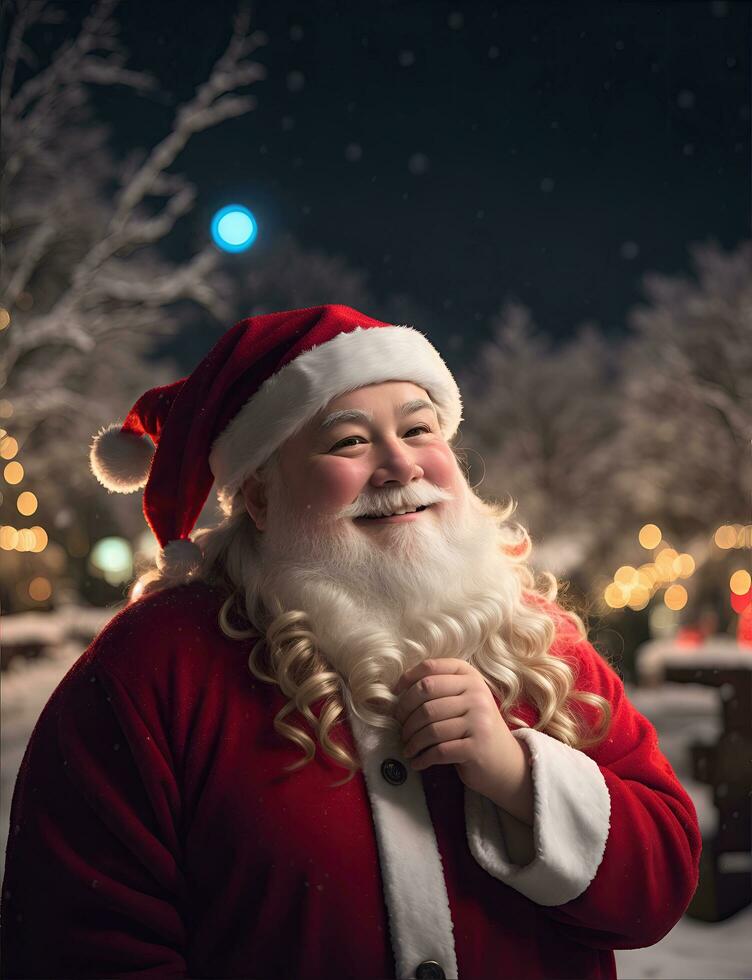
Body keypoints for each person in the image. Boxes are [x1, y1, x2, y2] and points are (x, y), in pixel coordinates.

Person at [0, 305, 700, 979]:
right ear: (262, 498)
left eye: (421, 430)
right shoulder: (155, 665)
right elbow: (81, 946)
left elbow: (660, 889)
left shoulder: (540, 639)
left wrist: (517, 776)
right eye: (350, 441)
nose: (402, 466)